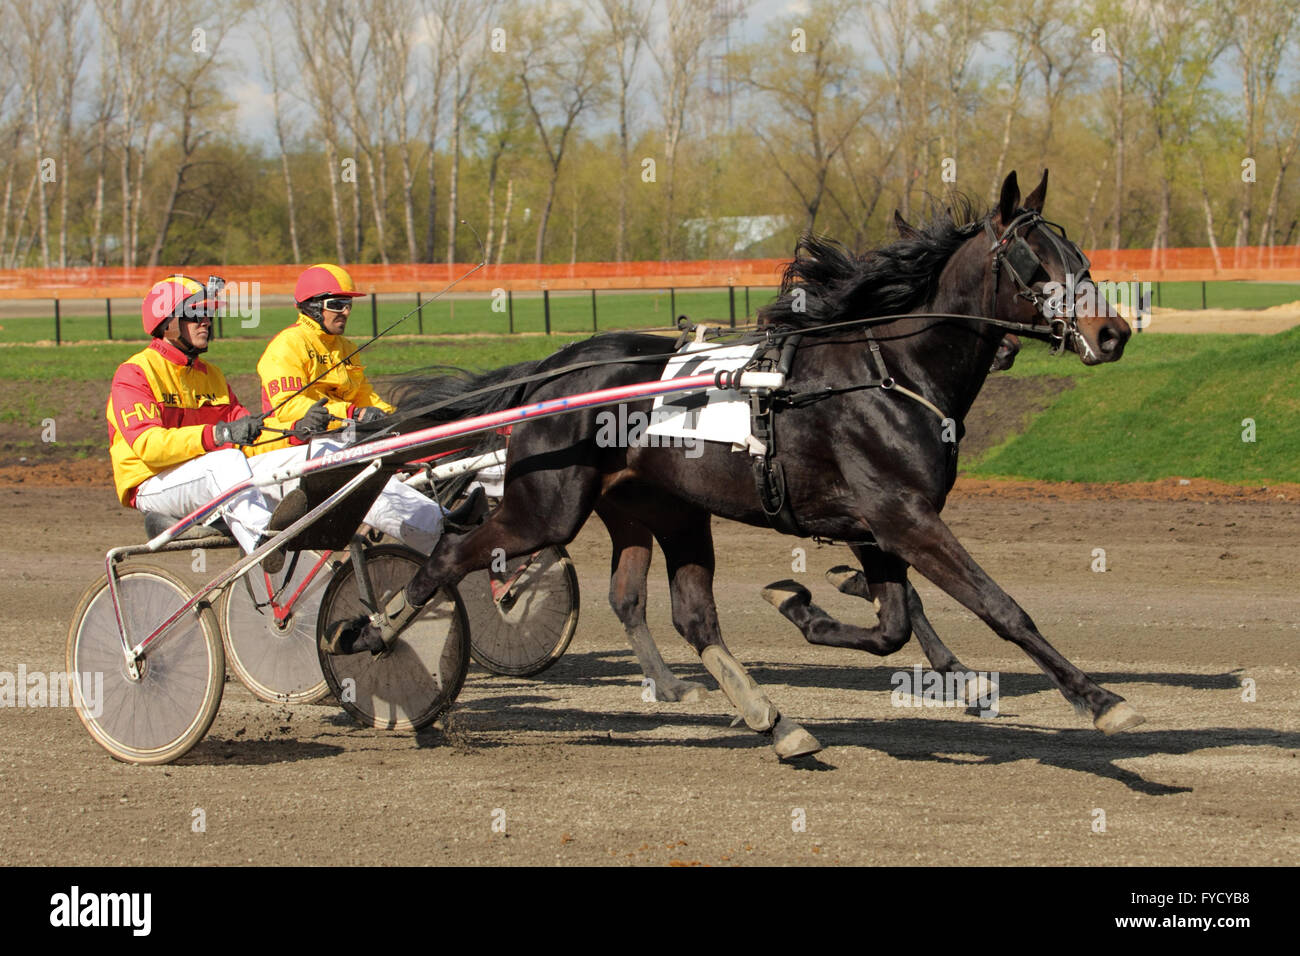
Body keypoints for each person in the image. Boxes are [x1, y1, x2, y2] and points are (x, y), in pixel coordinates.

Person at [255, 263, 484, 555]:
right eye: (336, 304)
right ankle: (440, 535)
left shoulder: (345, 348)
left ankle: (441, 519)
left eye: (348, 304)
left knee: (390, 458)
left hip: (333, 445)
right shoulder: (287, 346)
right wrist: (352, 415)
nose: (346, 312)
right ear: (312, 307)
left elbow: (366, 398)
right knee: (363, 480)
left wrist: (402, 416)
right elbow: (290, 407)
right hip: (288, 454)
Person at [107, 275, 282, 562]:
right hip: (151, 485)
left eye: (208, 314)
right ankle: (266, 549)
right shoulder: (134, 373)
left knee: (290, 460)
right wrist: (217, 435)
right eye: (195, 314)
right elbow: (150, 447)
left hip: (202, 475)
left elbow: (251, 436)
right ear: (168, 323)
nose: (206, 322)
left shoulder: (211, 375)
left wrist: (298, 433)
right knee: (226, 461)